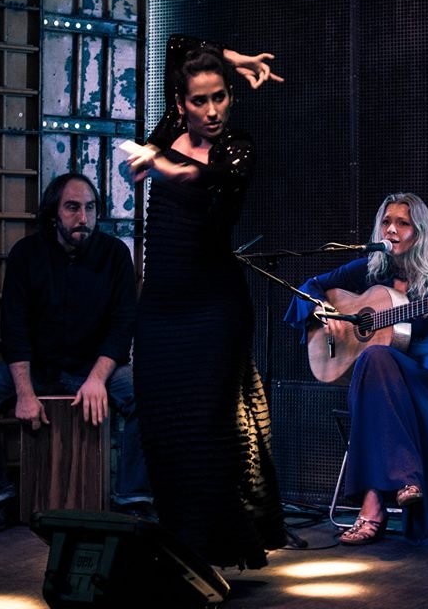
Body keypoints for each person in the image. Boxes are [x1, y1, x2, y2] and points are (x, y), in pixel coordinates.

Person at [126, 35, 287, 570]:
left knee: (208, 431)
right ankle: (181, 546)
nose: (213, 109)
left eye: (221, 96)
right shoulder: (168, 129)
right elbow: (177, 43)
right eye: (201, 100)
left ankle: (210, 551)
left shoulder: (237, 147)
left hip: (214, 310)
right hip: (160, 310)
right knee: (164, 431)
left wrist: (169, 170)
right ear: (181, 104)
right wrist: (233, 59)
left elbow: (216, 178)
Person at [283, 192, 428, 546]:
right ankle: (401, 482)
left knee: (375, 358)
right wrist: (321, 308)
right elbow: (307, 289)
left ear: (420, 232)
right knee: (375, 361)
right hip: (384, 392)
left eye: (403, 223)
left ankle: (373, 507)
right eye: (386, 222)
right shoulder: (369, 270)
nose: (391, 230)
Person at [0, 172, 152, 533]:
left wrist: (96, 379)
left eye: (90, 208)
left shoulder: (115, 254)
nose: (83, 218)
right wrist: (25, 392)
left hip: (95, 368)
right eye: (72, 208)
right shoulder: (27, 254)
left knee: (148, 393)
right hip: (39, 368)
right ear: (53, 214)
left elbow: (123, 326)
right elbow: (14, 328)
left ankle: (132, 500)